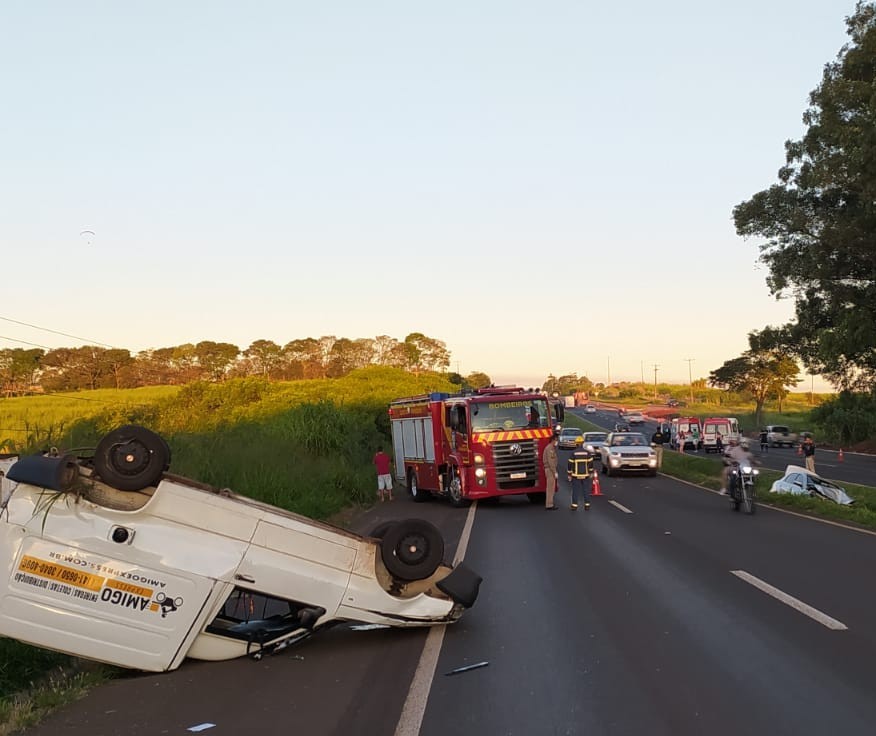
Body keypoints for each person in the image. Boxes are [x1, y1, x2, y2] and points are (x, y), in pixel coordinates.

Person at [543, 433, 560, 510]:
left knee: (551, 487)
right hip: (550, 470)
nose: (557, 442)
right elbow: (551, 461)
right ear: (553, 440)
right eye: (556, 440)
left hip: (550, 470)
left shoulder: (551, 448)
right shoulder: (550, 448)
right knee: (550, 488)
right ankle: (549, 504)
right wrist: (554, 472)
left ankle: (550, 503)